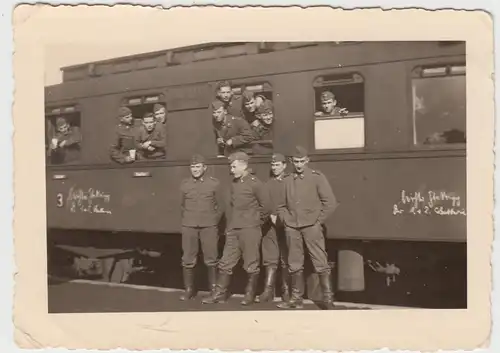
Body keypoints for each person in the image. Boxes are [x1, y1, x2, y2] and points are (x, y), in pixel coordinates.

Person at [202, 152, 272, 306]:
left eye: (234, 166)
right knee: (226, 262)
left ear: (244, 166)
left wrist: (255, 222)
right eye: (231, 166)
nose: (231, 170)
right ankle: (219, 294)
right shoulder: (234, 183)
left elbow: (266, 207)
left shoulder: (255, 183)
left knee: (251, 263)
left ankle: (249, 295)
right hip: (234, 229)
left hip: (250, 229)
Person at [276, 146, 339, 309]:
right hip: (292, 226)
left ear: (307, 161)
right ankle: (296, 299)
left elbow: (330, 203)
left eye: (302, 161)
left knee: (320, 261)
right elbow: (281, 205)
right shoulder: (287, 180)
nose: (298, 165)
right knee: (294, 262)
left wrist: (318, 221)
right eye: (296, 162)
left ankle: (328, 299)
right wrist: (285, 220)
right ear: (291, 162)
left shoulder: (317, 178)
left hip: (311, 226)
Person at [179, 154, 224, 301]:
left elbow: (221, 206)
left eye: (198, 167)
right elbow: (181, 206)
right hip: (189, 225)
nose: (195, 170)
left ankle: (213, 290)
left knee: (211, 258)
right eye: (193, 167)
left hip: (208, 226)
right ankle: (189, 289)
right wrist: (187, 220)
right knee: (188, 258)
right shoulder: (185, 184)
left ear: (204, 168)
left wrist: (213, 221)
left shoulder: (214, 184)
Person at [256, 153, 290, 303]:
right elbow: (264, 204)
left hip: (287, 225)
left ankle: (286, 291)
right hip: (271, 225)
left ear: (284, 166)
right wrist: (269, 216)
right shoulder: (268, 184)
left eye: (278, 165)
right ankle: (268, 291)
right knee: (270, 258)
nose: (275, 168)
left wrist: (282, 218)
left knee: (286, 258)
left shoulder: (290, 182)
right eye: (273, 165)